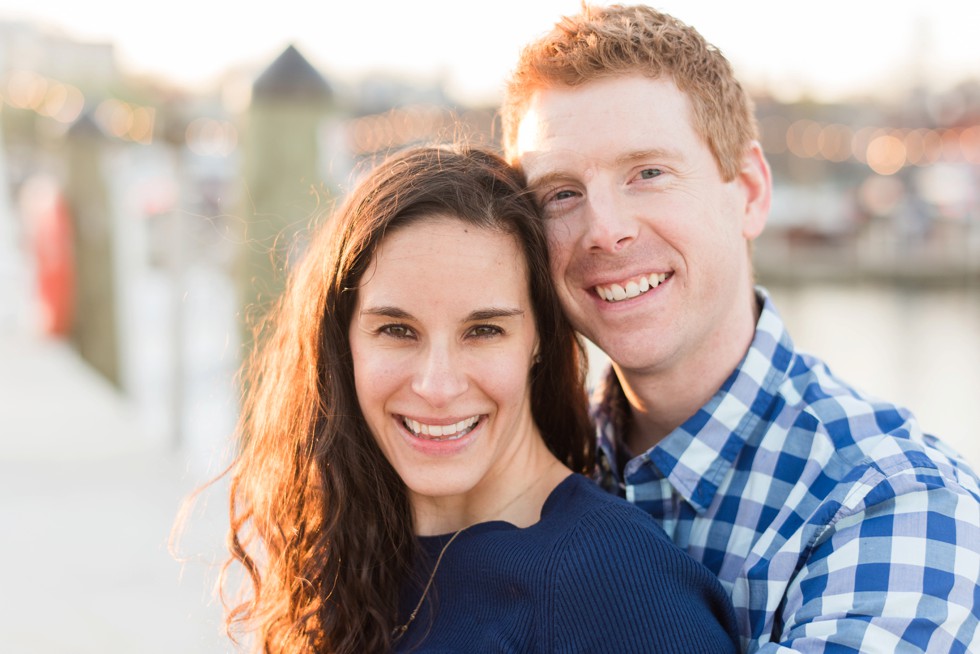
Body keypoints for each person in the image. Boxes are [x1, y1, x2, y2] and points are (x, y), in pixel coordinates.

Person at [500, 4, 980, 653]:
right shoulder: (520, 464)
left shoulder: (902, 505)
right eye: (560, 192)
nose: (604, 229)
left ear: (750, 191)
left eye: (648, 173)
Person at [220, 145, 739, 653]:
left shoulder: (617, 585)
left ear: (537, 340)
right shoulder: (348, 548)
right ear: (343, 342)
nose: (437, 386)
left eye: (484, 330)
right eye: (397, 330)